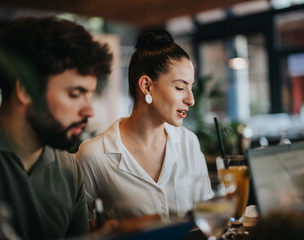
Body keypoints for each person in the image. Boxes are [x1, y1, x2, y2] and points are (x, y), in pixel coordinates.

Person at [0, 16, 113, 239]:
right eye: (75, 94)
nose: (89, 111)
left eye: (90, 95)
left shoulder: (69, 169)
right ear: (25, 90)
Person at [76, 29, 213, 221]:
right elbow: (77, 229)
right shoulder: (94, 156)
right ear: (146, 86)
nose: (191, 100)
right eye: (180, 88)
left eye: (191, 87)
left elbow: (208, 214)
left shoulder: (188, 143)